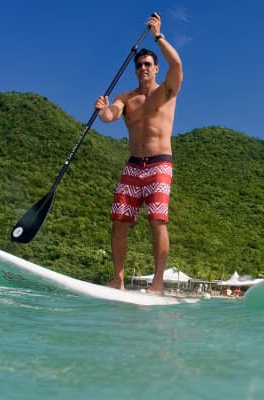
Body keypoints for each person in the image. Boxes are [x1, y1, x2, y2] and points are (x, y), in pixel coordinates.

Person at [94, 13, 183, 294]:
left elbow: (178, 63)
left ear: (156, 68)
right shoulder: (126, 98)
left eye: (148, 64)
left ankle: (157, 282)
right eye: (139, 65)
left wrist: (158, 36)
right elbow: (110, 116)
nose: (143, 68)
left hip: (159, 164)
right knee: (118, 221)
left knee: (157, 221)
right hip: (133, 165)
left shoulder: (167, 91)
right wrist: (102, 110)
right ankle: (118, 278)